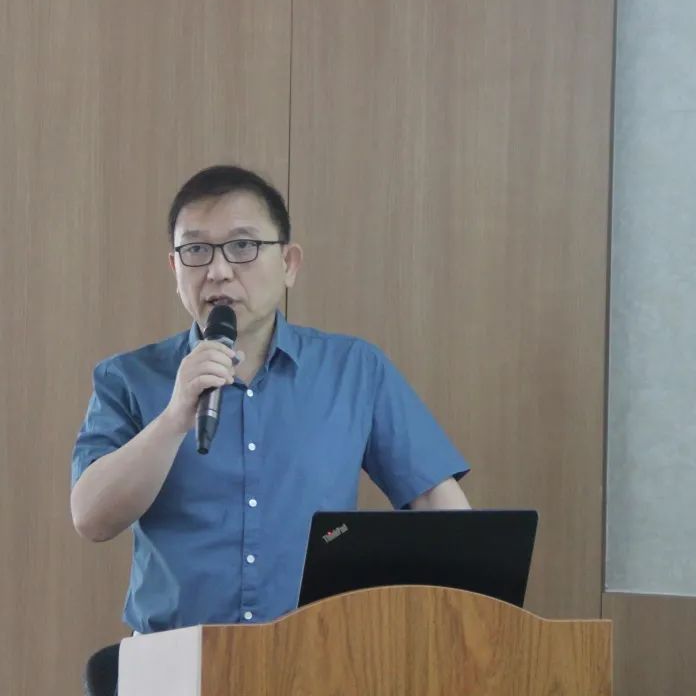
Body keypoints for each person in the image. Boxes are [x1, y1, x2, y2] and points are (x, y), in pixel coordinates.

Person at [70, 165, 470, 693]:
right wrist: (173, 417)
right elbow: (92, 517)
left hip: (318, 667)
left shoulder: (354, 369)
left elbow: (442, 509)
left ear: (289, 264)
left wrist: (479, 619)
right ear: (175, 267)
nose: (218, 271)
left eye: (243, 246)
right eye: (196, 250)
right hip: (174, 667)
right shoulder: (129, 378)